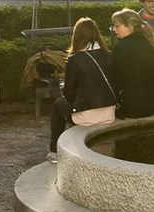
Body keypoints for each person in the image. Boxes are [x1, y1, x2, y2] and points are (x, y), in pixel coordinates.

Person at [49, 17, 117, 156]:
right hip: (109, 111)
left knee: (57, 105)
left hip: (88, 116)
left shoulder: (76, 59)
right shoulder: (109, 55)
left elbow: (69, 93)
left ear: (77, 36)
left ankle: (54, 151)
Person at [109, 8, 154, 118]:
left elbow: (116, 79)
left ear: (129, 26)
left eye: (117, 26)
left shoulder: (121, 47)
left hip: (132, 105)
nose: (114, 29)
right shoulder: (150, 43)